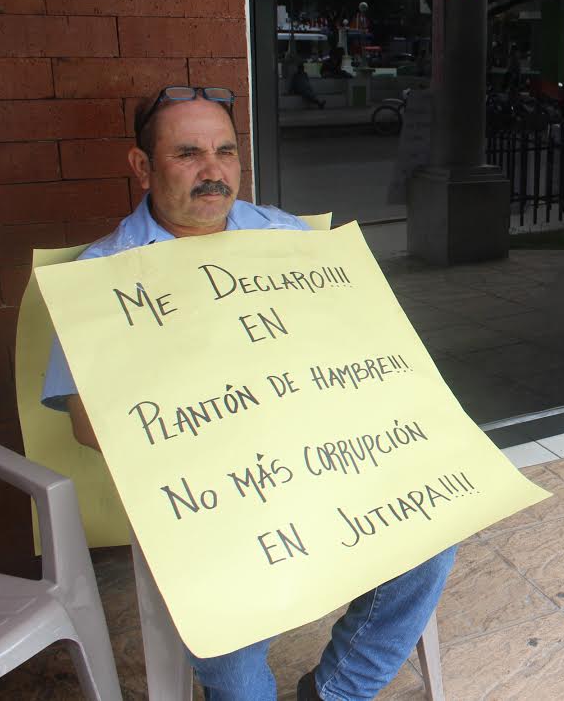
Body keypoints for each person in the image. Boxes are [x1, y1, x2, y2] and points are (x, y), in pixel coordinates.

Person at [39, 85, 457, 701]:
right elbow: (85, 423)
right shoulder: (99, 277)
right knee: (229, 646)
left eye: (226, 151)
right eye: (188, 153)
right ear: (142, 166)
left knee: (432, 539)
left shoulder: (286, 237)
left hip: (328, 460)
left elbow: (362, 348)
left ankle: (338, 691)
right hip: (212, 497)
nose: (213, 171)